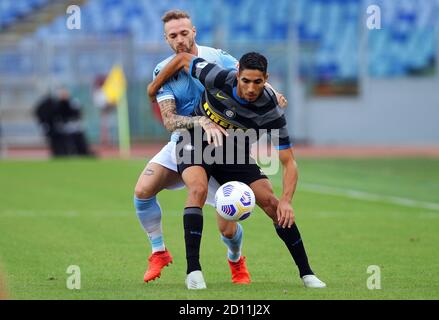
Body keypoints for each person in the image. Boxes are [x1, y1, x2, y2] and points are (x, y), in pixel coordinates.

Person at [148, 51, 326, 289]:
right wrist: (154, 88)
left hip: (234, 150)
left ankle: (307, 274)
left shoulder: (271, 111)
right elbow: (182, 59)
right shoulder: (218, 77)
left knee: (273, 204)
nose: (251, 88)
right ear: (238, 74)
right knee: (198, 190)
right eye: (245, 80)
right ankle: (193, 271)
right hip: (194, 140)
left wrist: (287, 200)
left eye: (258, 82)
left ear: (266, 79)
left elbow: (289, 162)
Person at [134, 10, 287, 285]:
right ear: (166, 38)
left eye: (184, 33)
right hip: (184, 143)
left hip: (223, 148)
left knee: (227, 228)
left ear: (193, 31)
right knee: (142, 191)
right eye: (173, 36)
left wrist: (273, 92)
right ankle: (159, 252)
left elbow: (248, 74)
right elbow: (170, 121)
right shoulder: (163, 70)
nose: (180, 40)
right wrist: (200, 121)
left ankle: (236, 259)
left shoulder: (217, 57)